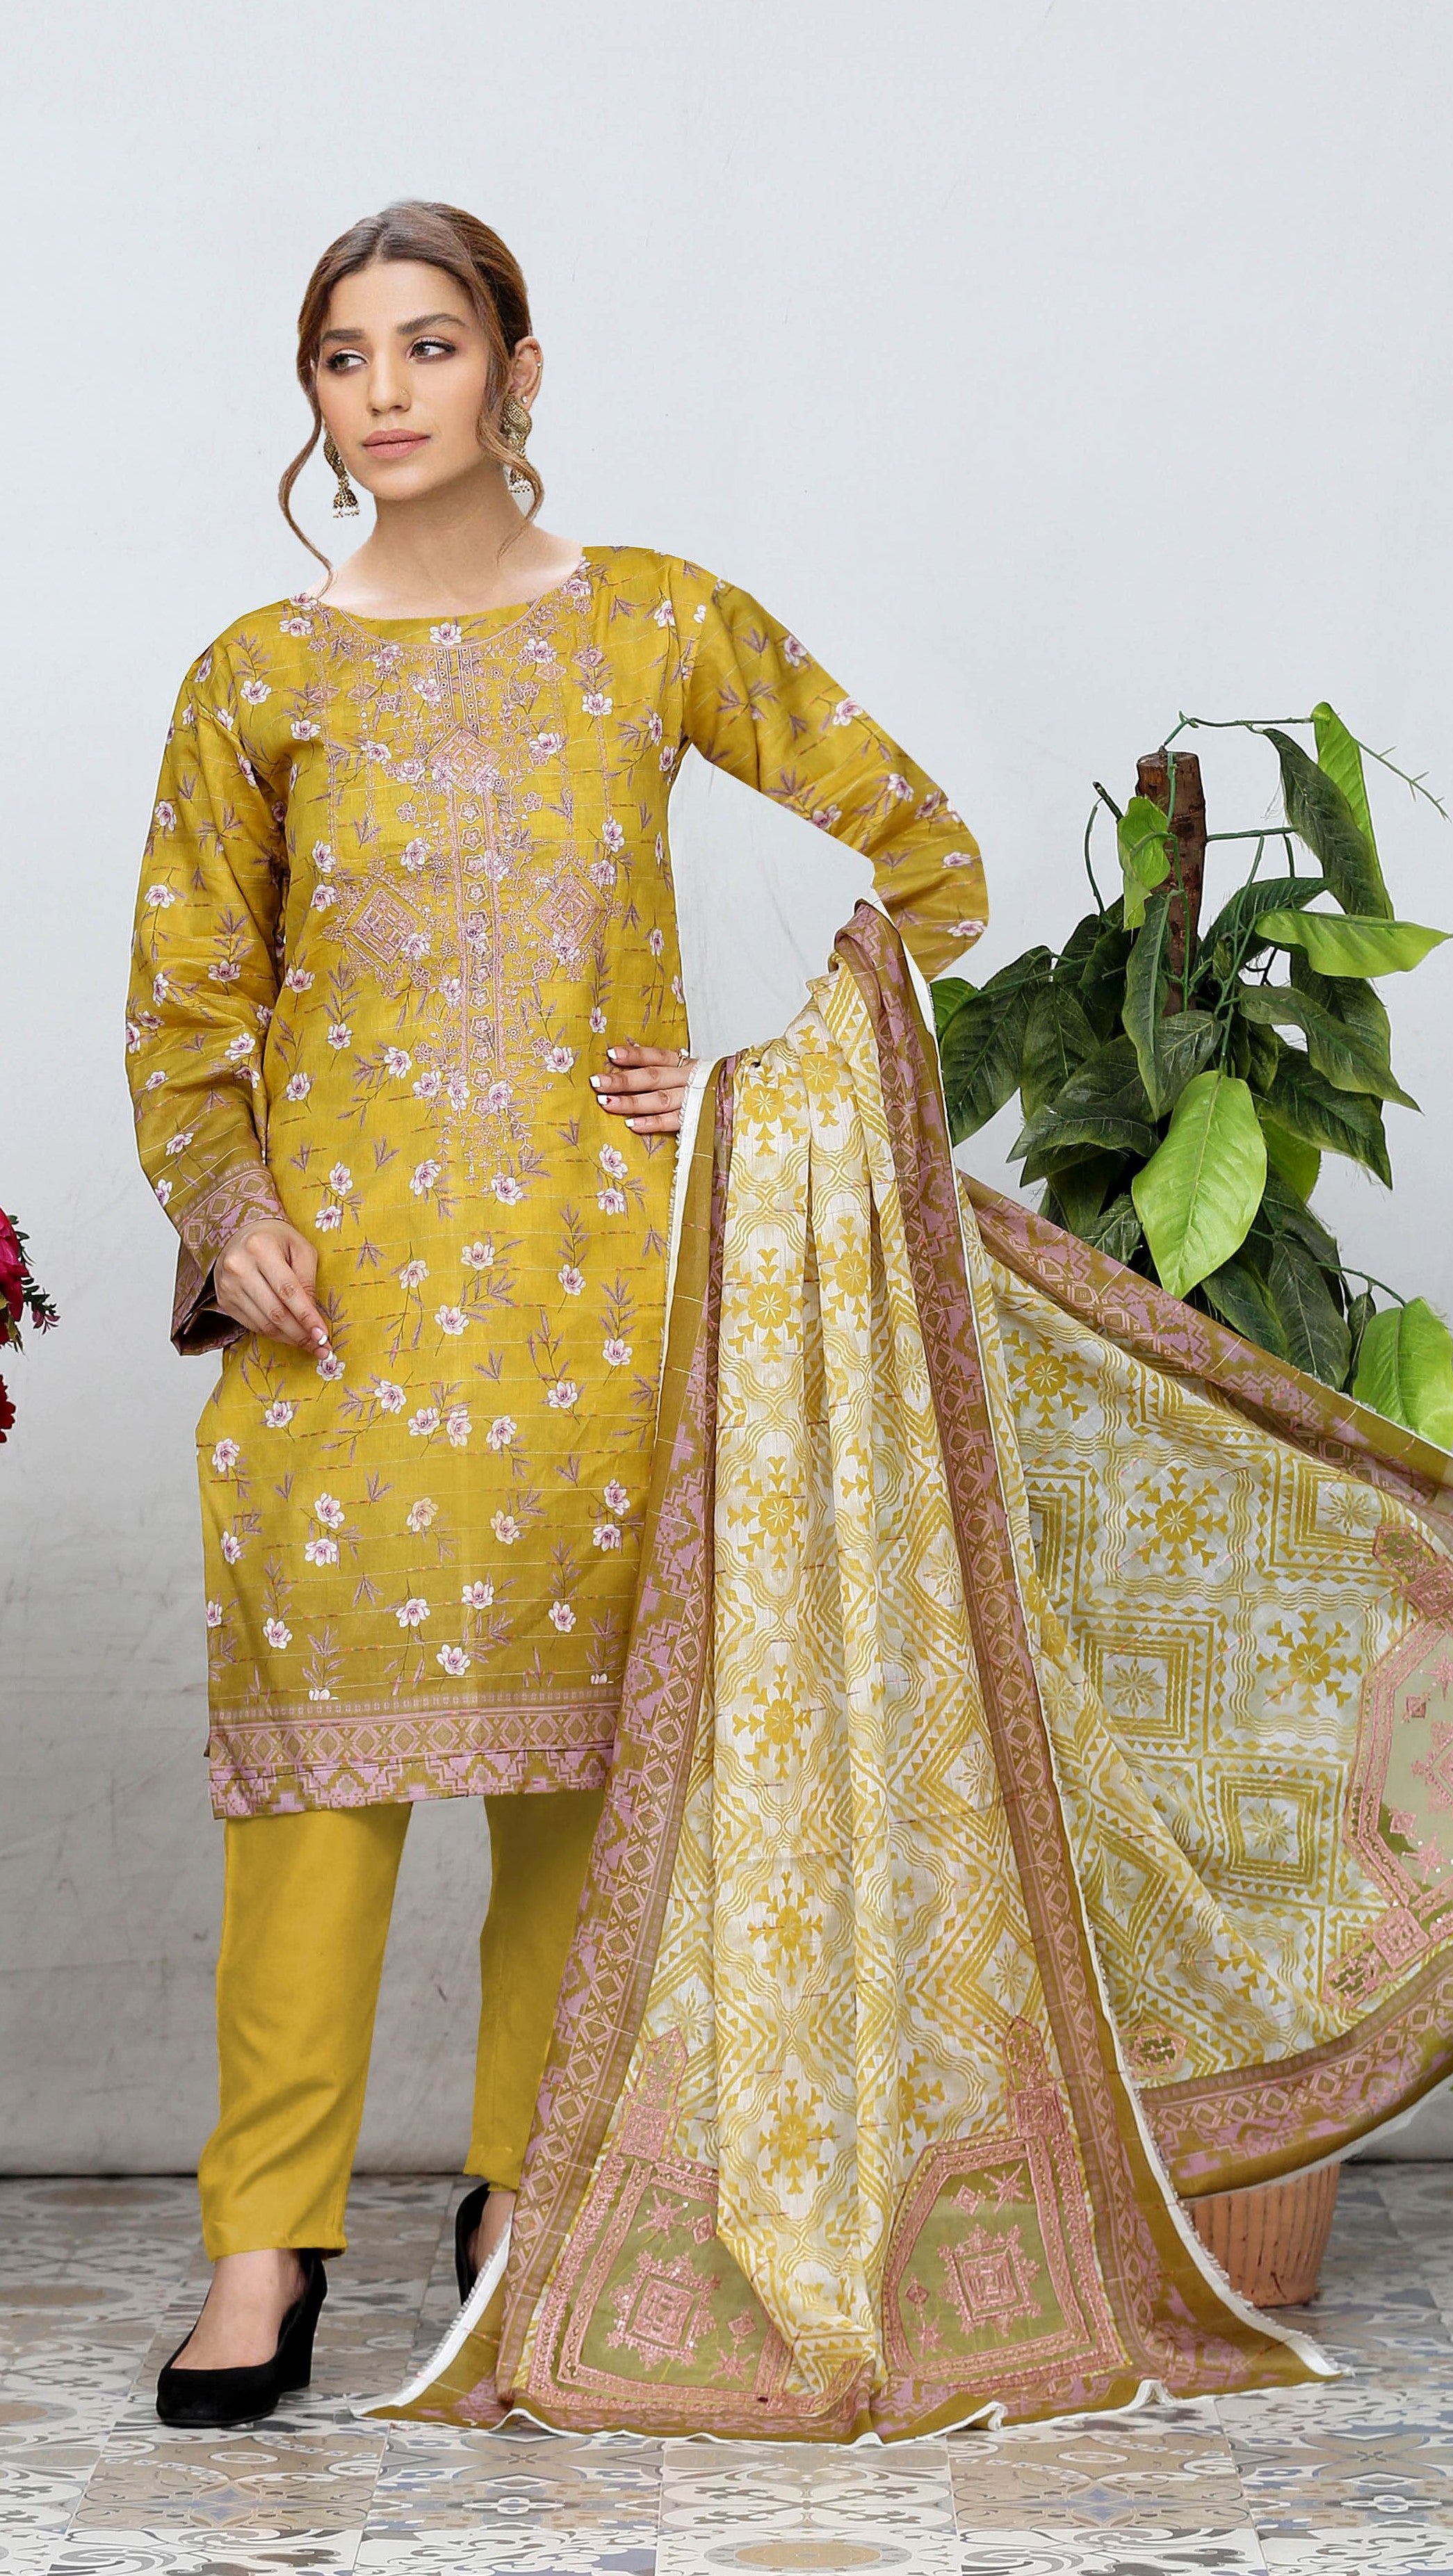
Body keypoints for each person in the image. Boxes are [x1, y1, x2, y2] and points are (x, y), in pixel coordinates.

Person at [125, 199, 985, 2427]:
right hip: (341, 1312)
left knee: (577, 1789)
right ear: (309, 399)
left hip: (604, 1290)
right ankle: (264, 2240)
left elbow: (932, 863)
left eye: (429, 344)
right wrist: (226, 1211)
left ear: (519, 367)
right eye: (343, 356)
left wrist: (761, 1083)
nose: (386, 389)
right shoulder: (259, 677)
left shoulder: (654, 627)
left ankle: (529, 2197)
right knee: (311, 1790)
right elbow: (183, 1007)